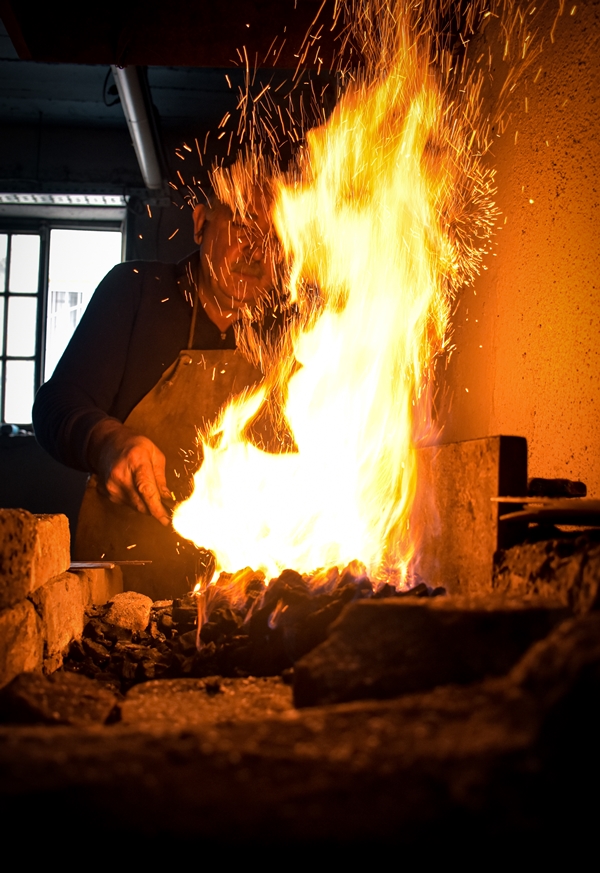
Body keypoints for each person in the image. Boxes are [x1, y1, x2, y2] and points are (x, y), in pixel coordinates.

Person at [33, 191, 279, 599]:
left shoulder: (295, 331)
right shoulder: (136, 291)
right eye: (242, 225)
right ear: (201, 223)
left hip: (247, 601)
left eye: (275, 236)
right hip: (124, 592)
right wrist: (105, 441)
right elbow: (54, 404)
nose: (257, 250)